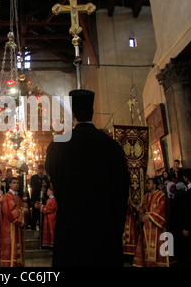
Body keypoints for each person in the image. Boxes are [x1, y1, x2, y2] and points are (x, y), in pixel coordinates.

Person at [45, 89, 130, 267]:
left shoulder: (57, 146)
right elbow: (123, 189)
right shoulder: (112, 146)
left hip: (71, 230)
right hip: (104, 230)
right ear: (92, 112)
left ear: (73, 114)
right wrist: (116, 227)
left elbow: (54, 183)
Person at [133, 178, 170, 267]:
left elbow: (161, 209)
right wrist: (139, 210)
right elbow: (143, 208)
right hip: (147, 227)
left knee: (159, 246)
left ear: (154, 185)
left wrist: (149, 216)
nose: (147, 185)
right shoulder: (146, 196)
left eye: (149, 183)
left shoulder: (161, 196)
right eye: (147, 183)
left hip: (157, 227)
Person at [0, 177, 28, 267]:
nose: (16, 185)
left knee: (16, 243)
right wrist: (23, 211)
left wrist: (22, 209)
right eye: (14, 183)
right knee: (11, 245)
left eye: (17, 183)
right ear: (10, 184)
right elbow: (10, 212)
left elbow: (18, 208)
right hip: (10, 224)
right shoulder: (8, 197)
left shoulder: (17, 196)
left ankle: (16, 263)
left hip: (16, 225)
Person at [29, 164, 48, 230]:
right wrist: (41, 186)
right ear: (37, 170)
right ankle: (33, 228)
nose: (41, 171)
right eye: (39, 169)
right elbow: (33, 186)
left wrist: (45, 186)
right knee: (35, 214)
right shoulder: (33, 177)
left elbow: (48, 187)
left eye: (42, 170)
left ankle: (42, 228)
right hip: (36, 198)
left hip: (43, 199)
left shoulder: (46, 178)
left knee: (42, 214)